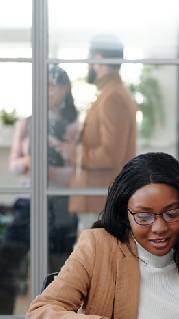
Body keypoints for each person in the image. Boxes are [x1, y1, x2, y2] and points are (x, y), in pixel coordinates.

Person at [25, 152, 179, 319]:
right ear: (124, 213)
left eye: (172, 214)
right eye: (143, 217)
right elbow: (39, 315)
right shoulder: (97, 246)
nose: (159, 228)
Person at [0, 65, 79, 319]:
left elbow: (74, 173)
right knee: (6, 259)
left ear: (65, 89)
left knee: (60, 270)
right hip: (28, 201)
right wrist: (30, 162)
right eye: (43, 85)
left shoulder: (72, 126)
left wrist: (49, 163)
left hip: (59, 204)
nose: (47, 91)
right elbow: (14, 164)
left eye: (52, 85)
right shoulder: (27, 122)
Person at [66, 34, 137, 229]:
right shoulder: (110, 94)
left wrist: (73, 153)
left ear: (97, 59)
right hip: (98, 202)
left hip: (99, 203)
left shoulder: (112, 97)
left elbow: (110, 155)